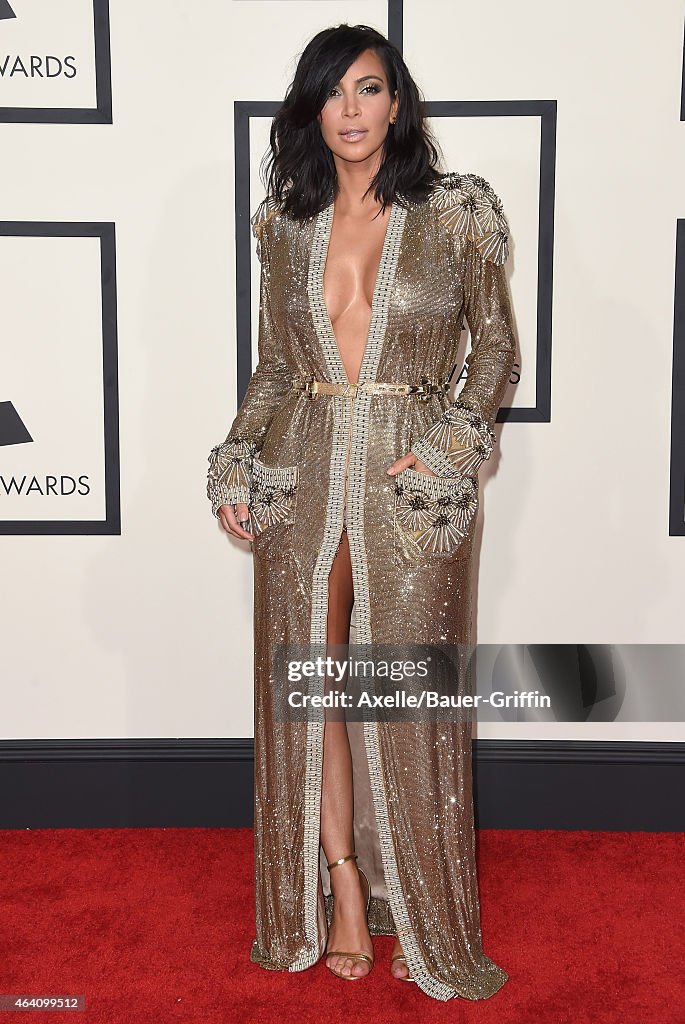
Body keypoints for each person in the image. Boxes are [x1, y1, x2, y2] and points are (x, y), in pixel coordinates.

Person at [207, 23, 516, 1001]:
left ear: (398, 103)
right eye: (333, 92)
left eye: (370, 88)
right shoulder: (284, 221)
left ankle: (424, 909)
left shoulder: (458, 210)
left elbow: (497, 351)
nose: (351, 109)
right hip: (302, 466)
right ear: (310, 108)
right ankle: (340, 885)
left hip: (410, 481)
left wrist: (456, 439)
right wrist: (234, 459)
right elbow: (277, 368)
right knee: (314, 685)